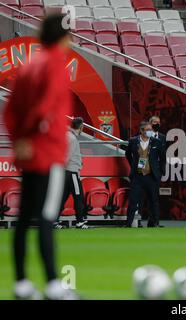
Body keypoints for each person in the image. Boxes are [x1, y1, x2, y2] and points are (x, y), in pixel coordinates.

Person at [4, 13, 79, 299]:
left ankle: (22, 283)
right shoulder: (55, 65)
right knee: (47, 217)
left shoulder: (29, 65)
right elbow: (45, 108)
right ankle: (52, 285)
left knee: (24, 219)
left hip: (29, 152)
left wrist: (20, 140)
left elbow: (10, 111)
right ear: (62, 36)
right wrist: (34, 133)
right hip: (48, 152)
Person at [125, 121, 166, 228]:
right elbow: (128, 154)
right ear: (141, 131)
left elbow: (162, 158)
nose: (150, 132)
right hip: (137, 176)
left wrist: (160, 172)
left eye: (151, 130)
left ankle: (154, 223)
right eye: (148, 130)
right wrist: (133, 166)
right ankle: (128, 223)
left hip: (151, 176)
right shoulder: (133, 141)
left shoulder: (157, 142)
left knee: (153, 200)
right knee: (133, 200)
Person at [54, 117, 89, 229]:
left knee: (62, 197)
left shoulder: (68, 136)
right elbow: (66, 157)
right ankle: (79, 221)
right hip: (71, 172)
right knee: (78, 196)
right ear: (81, 127)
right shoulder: (72, 138)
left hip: (67, 172)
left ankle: (54, 221)